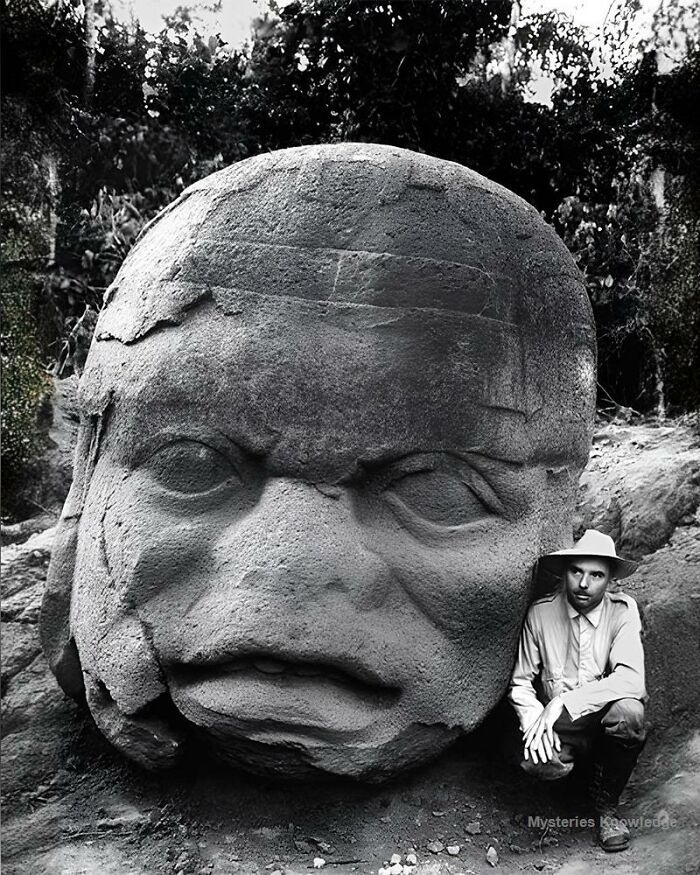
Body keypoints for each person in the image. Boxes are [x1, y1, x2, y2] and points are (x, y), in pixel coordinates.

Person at [509, 529, 647, 851]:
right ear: (565, 572)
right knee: (536, 758)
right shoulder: (540, 613)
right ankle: (567, 790)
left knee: (629, 714)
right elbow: (520, 681)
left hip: (602, 720)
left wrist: (565, 701)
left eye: (596, 575)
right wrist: (533, 722)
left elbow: (632, 679)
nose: (584, 583)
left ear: (610, 580)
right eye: (576, 571)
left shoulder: (622, 611)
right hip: (562, 726)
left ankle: (606, 808)